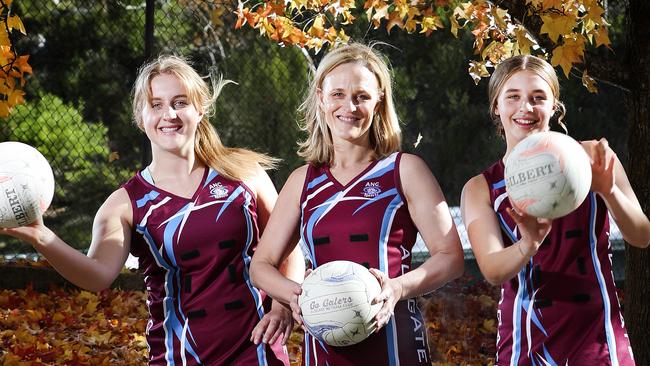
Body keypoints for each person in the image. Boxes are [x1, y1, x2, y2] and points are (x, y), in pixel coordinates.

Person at [0, 55, 304, 365]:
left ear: (200, 109)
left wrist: (281, 304)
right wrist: (41, 236)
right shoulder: (124, 203)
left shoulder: (245, 174)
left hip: (255, 350)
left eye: (180, 102)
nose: (168, 114)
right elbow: (98, 276)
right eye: (156, 105)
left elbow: (287, 246)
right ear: (141, 117)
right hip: (179, 355)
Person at [248, 43, 464, 365]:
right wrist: (296, 297)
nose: (349, 106)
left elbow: (451, 258)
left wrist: (397, 288)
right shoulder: (301, 181)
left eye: (361, 96)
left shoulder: (405, 170)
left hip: (395, 345)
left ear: (378, 102)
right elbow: (261, 266)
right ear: (321, 98)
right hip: (323, 352)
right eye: (338, 94)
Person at [461, 54, 650, 365]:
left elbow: (641, 235)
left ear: (553, 105)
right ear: (496, 106)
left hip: (597, 334)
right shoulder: (481, 187)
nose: (526, 108)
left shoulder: (591, 156)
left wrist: (610, 190)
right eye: (513, 97)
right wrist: (528, 245)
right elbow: (493, 270)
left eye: (538, 97)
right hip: (526, 339)